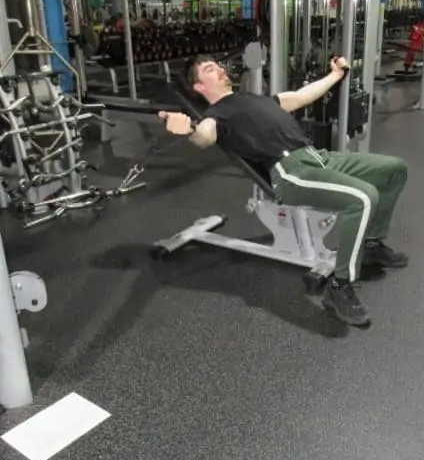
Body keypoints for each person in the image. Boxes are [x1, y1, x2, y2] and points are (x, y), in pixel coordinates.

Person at [158, 55, 409, 329]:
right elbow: (204, 137)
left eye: (217, 65)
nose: (219, 69)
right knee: (364, 197)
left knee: (395, 168)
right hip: (291, 172)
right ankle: (339, 287)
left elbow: (302, 96)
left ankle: (371, 244)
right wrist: (188, 128)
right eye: (209, 69)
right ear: (198, 87)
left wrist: (336, 75)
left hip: (319, 156)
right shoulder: (215, 116)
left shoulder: (257, 99)